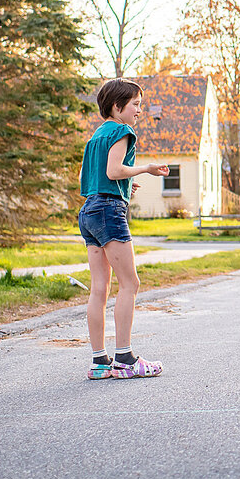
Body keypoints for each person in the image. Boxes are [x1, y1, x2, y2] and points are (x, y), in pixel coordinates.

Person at [79, 78, 169, 380]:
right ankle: (126, 359)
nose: (140, 111)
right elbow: (113, 171)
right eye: (135, 105)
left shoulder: (96, 136)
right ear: (118, 107)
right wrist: (145, 168)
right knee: (130, 283)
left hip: (89, 211)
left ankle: (100, 362)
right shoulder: (122, 130)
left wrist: (125, 185)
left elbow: (90, 177)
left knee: (99, 289)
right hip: (107, 212)